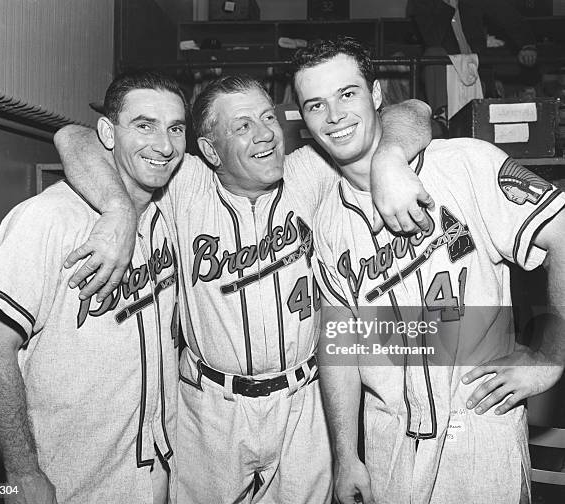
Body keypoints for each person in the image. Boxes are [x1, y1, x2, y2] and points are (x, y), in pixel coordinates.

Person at [53, 70, 433, 501]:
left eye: (267, 117)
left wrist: (388, 159)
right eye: (243, 126)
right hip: (211, 410)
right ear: (211, 151)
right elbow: (73, 138)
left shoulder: (309, 171)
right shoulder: (184, 183)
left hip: (304, 406)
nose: (265, 135)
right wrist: (119, 208)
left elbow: (414, 112)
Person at [291, 37, 565, 503]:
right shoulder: (328, 224)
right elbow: (340, 346)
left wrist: (552, 355)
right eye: (316, 104)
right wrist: (345, 456)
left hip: (480, 433)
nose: (334, 115)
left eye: (348, 94)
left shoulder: (461, 164)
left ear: (377, 95)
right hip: (390, 445)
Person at [0, 71, 184, 504]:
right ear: (107, 132)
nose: (164, 144)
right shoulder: (46, 218)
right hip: (71, 479)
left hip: (156, 470)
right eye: (144, 125)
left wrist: (122, 207)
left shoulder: (169, 210)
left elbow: (71, 136)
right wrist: (21, 472)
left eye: (175, 128)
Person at [408, 0, 538, 114]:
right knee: (434, 53)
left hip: (475, 68)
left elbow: (507, 14)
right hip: (443, 73)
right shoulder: (422, 2)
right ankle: (441, 116)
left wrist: (527, 45)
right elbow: (432, 38)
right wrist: (447, 4)